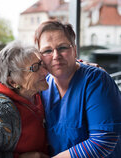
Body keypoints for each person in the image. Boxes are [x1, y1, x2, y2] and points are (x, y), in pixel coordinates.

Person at [34, 20, 121, 158]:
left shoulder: (96, 80)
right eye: (47, 51)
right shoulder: (43, 87)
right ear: (40, 57)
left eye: (62, 47)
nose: (56, 55)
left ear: (74, 49)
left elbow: (104, 141)